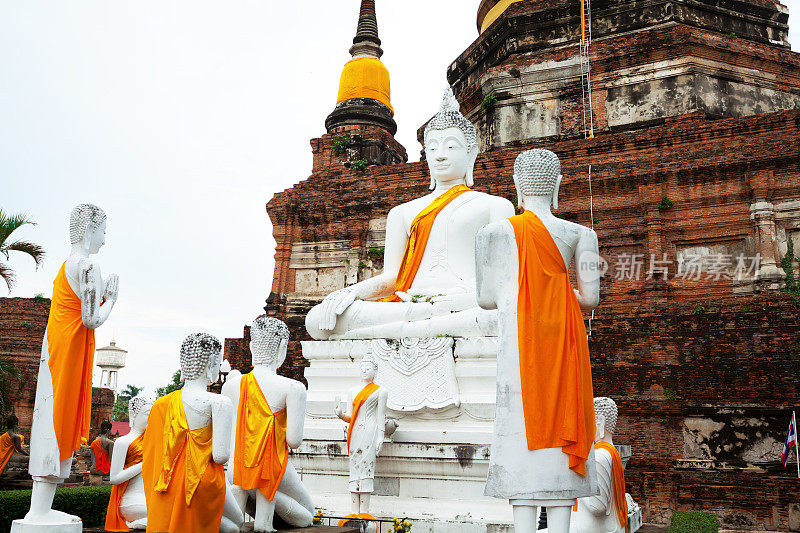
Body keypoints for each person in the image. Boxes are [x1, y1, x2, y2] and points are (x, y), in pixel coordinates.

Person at [305, 87, 514, 341]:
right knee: (318, 321)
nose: (441, 155)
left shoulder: (494, 206)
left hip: (464, 303)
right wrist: (351, 293)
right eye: (433, 148)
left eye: (450, 146)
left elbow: (501, 282)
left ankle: (414, 325)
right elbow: (393, 277)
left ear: (471, 153)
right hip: (409, 304)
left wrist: (459, 296)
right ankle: (421, 323)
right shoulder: (402, 212)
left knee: (500, 315)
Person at [476, 149, 601, 533]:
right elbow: (591, 298)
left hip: (518, 340)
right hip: (564, 340)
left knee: (518, 421)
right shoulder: (583, 234)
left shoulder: (492, 233)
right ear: (558, 185)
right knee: (564, 418)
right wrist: (559, 291)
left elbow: (485, 298)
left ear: (516, 187)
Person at [21, 204, 119, 527]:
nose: (104, 240)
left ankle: (40, 509)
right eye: (103, 231)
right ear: (90, 229)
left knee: (48, 416)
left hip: (56, 349)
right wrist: (111, 301)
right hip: (69, 350)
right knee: (56, 418)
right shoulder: (88, 267)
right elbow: (91, 318)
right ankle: (39, 510)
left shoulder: (66, 264)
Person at [142, 333, 244, 533]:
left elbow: (150, 457)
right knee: (237, 523)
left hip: (165, 485)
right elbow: (221, 456)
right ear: (212, 363)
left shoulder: (161, 404)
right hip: (203, 482)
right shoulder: (219, 402)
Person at [223, 316, 315, 532]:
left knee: (243, 483)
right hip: (271, 467)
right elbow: (293, 441)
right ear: (283, 347)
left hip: (236, 469)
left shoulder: (230, 387)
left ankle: (247, 498)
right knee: (307, 515)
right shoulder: (292, 388)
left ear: (252, 347)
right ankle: (259, 495)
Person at [334, 355, 388, 516]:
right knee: (354, 468)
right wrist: (340, 415)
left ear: (375, 370)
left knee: (367, 468)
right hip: (355, 431)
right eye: (362, 368)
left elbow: (381, 417)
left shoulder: (380, 391)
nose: (364, 371)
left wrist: (380, 438)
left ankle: (364, 511)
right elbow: (351, 417)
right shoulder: (352, 391)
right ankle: (353, 511)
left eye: (368, 368)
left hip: (370, 431)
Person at [105, 396, 154, 531]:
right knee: (152, 513)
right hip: (132, 500)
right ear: (134, 415)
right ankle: (138, 521)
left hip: (151, 497)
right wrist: (144, 464)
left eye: (153, 413)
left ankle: (144, 522)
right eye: (146, 413)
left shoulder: (153, 441)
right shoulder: (123, 441)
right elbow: (114, 478)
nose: (150, 417)